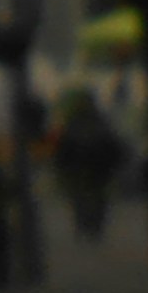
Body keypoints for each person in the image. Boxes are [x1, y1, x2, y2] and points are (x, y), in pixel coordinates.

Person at [52, 90, 126, 245]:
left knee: (80, 197)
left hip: (79, 168)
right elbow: (113, 144)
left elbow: (63, 148)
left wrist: (62, 166)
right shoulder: (101, 121)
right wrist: (115, 164)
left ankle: (83, 224)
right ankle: (94, 226)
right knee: (98, 198)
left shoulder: (73, 123)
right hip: (99, 168)